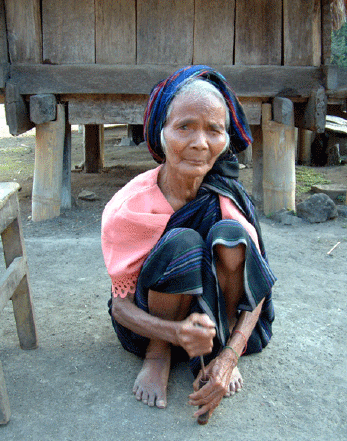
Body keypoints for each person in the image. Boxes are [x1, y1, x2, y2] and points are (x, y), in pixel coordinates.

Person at [101, 65, 276, 421]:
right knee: (182, 242)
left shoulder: (227, 200)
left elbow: (255, 289)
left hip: (217, 324)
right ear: (160, 133)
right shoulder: (129, 208)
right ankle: (158, 356)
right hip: (152, 324)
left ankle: (217, 351)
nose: (200, 143)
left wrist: (230, 354)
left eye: (214, 130)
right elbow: (121, 307)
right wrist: (174, 333)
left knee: (231, 236)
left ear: (226, 140)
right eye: (184, 127)